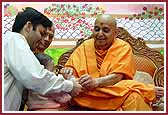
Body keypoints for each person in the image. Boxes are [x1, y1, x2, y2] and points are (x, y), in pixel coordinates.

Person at [65, 14, 156, 111]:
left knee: (133, 96)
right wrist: (68, 73)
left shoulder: (123, 47)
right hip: (85, 95)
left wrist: (95, 82)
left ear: (115, 33)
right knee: (130, 89)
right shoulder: (85, 46)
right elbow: (71, 70)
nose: (100, 34)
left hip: (114, 93)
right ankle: (142, 88)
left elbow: (117, 77)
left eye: (105, 30)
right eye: (97, 29)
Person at [4, 7, 81, 111]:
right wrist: (70, 86)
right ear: (29, 26)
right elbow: (35, 77)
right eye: (42, 33)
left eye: (50, 36)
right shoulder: (14, 40)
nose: (42, 39)